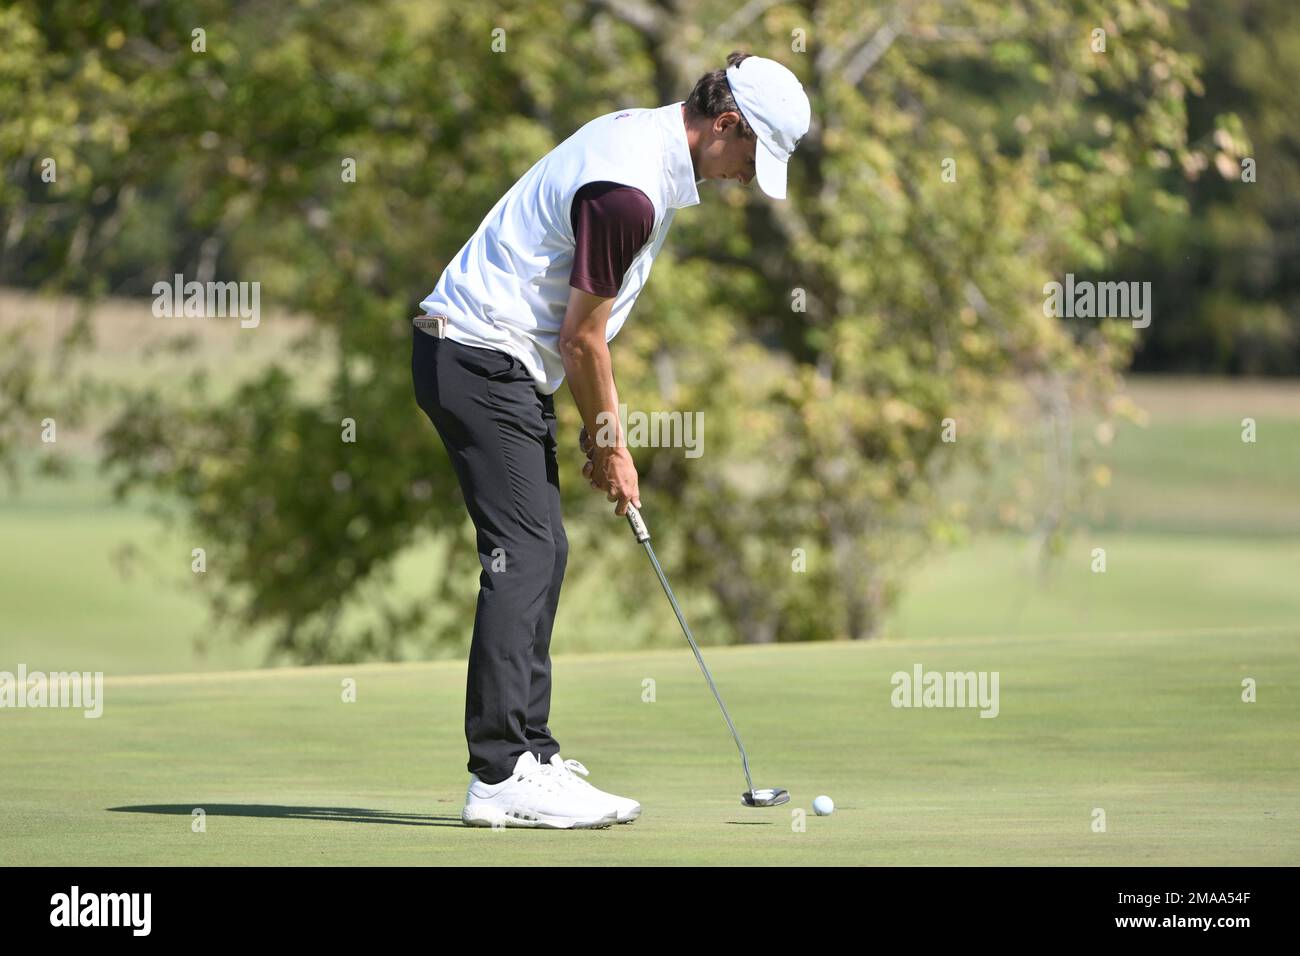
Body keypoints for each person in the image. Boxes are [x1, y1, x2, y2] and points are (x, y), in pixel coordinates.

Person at [411, 51, 811, 829]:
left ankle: (531, 753)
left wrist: (600, 439)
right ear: (725, 125)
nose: (742, 180)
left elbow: (577, 338)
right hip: (477, 356)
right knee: (523, 553)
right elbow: (583, 341)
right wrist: (612, 445)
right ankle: (499, 774)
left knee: (542, 548)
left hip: (487, 358)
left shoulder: (639, 141)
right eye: (749, 159)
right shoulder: (628, 191)